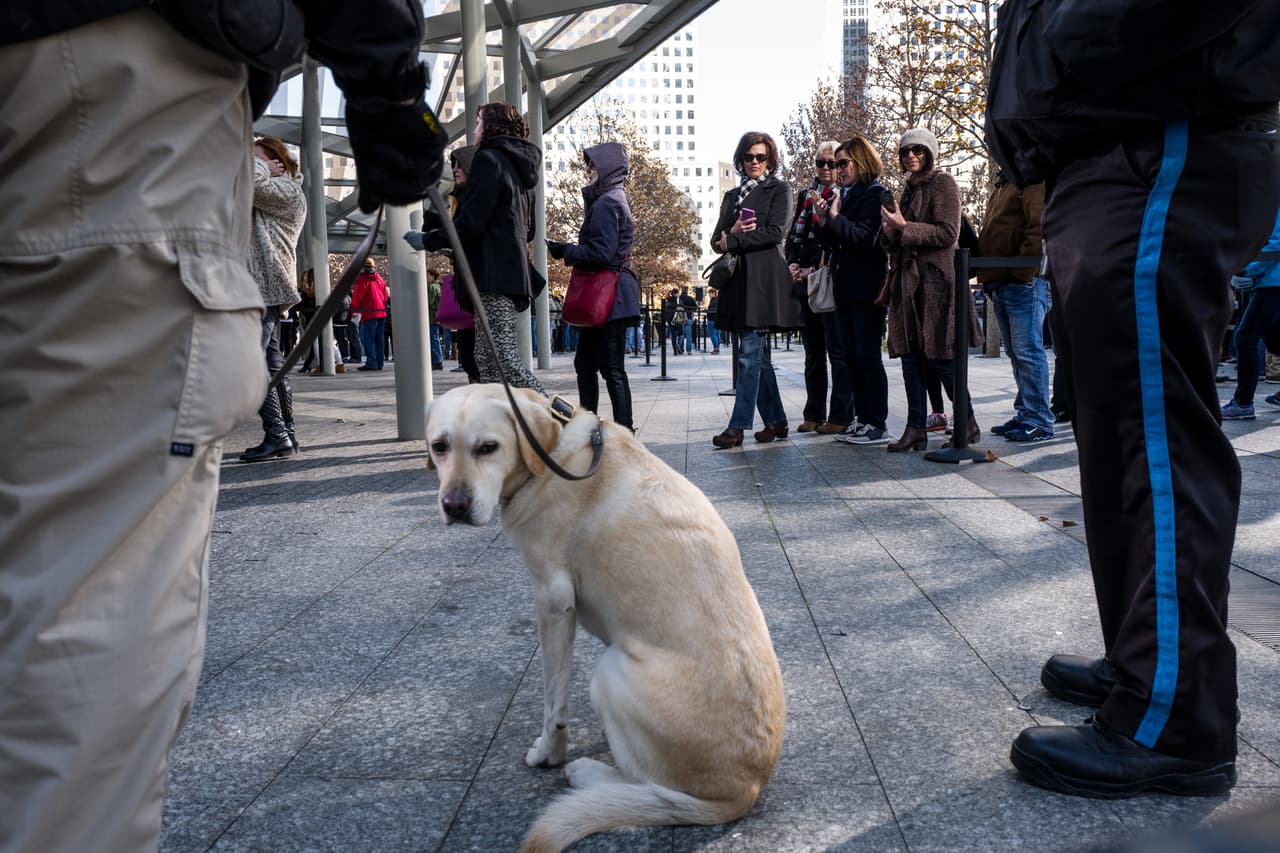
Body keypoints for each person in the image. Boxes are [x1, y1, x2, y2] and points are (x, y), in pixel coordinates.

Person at [0, 3, 447, 851]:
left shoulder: (278, 183)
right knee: (93, 582)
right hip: (111, 79)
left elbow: (282, 202)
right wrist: (389, 95)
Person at [987, 0, 1280, 798]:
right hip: (1118, 137)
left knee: (1156, 437)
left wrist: (1057, 51)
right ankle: (1143, 660)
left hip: (1160, 129)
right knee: (1119, 434)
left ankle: (1174, 718)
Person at [405, 102, 545, 394]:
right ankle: (501, 428)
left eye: (479, 123)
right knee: (486, 358)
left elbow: (470, 223)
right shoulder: (518, 170)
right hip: (508, 274)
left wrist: (427, 240)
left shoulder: (488, 160)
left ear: (493, 126)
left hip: (494, 275)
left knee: (503, 360)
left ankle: (557, 420)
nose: (475, 130)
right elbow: (523, 229)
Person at [879, 127, 982, 453]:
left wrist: (904, 227)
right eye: (905, 151)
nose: (910, 155)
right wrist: (890, 232)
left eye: (918, 150)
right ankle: (916, 428)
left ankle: (967, 422)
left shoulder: (943, 183)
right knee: (911, 359)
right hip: (908, 287)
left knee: (941, 358)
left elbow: (948, 233)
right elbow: (896, 241)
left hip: (937, 285)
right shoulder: (907, 190)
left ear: (930, 153)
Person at [710, 131, 803, 448]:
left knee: (749, 356)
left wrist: (732, 239)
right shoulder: (731, 196)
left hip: (764, 282)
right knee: (758, 357)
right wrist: (731, 230)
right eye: (749, 157)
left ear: (770, 160)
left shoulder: (779, 189)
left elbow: (775, 233)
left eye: (760, 157)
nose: (754, 162)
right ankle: (776, 421)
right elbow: (715, 241)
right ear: (740, 158)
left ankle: (737, 427)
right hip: (738, 282)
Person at [547, 142, 641, 430]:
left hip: (608, 297)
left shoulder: (608, 202)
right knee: (590, 366)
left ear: (607, 167)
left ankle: (618, 431)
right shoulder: (612, 198)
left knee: (609, 368)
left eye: (593, 164)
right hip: (610, 297)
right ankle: (596, 427)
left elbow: (602, 253)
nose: (588, 170)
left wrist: (565, 250)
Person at [814, 134, 891, 445]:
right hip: (845, 288)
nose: (837, 169)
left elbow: (863, 237)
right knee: (851, 356)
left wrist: (834, 217)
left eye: (842, 163)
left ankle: (877, 422)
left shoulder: (876, 194)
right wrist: (824, 222)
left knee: (868, 355)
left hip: (867, 288)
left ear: (860, 162)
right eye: (834, 164)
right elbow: (835, 243)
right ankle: (862, 418)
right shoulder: (845, 196)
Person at [241, 134, 307, 462]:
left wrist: (259, 167)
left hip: (266, 285)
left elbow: (250, 184)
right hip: (261, 286)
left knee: (252, 362)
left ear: (276, 162)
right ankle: (286, 433)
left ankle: (278, 433)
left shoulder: (289, 190)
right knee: (271, 363)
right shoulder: (271, 191)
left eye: (258, 158)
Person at [975, 175, 1054, 442]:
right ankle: (1026, 413)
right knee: (1017, 353)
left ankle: (1039, 420)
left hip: (1021, 282)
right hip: (1002, 279)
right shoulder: (1003, 183)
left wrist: (1022, 271)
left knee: (1027, 351)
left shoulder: (1030, 180)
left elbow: (1038, 227)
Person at [785, 140, 845, 434]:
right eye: (820, 163)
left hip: (830, 280)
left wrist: (817, 268)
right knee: (813, 353)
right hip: (806, 284)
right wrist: (793, 265)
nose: (825, 168)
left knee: (837, 350)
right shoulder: (804, 195)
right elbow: (793, 236)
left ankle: (841, 414)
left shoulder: (842, 195)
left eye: (832, 163)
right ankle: (814, 412)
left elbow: (838, 240)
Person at [1221, 211, 1280, 420]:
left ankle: (1243, 402)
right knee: (1274, 342)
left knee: (1245, 338)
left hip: (1272, 282)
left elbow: (1275, 244)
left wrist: (1244, 271)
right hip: (1268, 280)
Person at [350, 258, 389, 371]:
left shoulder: (362, 280)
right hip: (381, 312)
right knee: (379, 339)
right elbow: (385, 296)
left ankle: (371, 362)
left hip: (368, 312)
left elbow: (358, 296)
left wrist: (353, 309)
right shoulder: (380, 279)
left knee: (368, 338)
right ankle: (379, 362)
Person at [427, 266, 444, 370]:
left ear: (433, 276)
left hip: (431, 316)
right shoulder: (438, 286)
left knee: (433, 338)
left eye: (428, 275)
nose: (426, 277)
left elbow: (428, 302)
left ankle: (436, 360)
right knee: (435, 338)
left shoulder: (432, 287)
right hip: (436, 316)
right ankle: (437, 360)